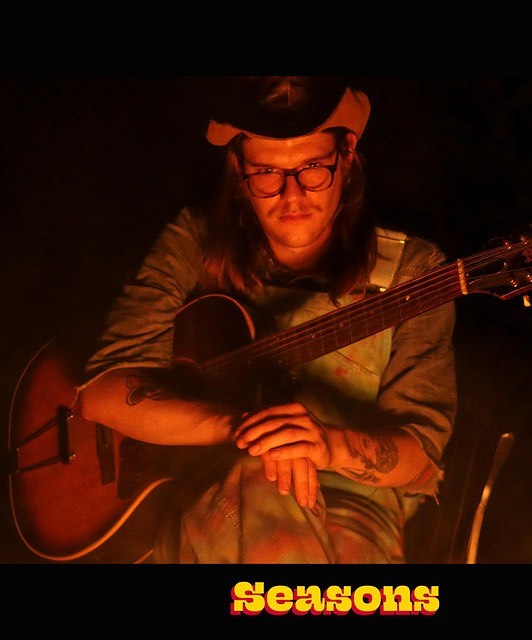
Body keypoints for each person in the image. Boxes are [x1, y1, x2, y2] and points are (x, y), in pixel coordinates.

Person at [77, 76, 457, 564]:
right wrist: (252, 432)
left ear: (347, 156)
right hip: (211, 496)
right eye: (267, 173)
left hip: (355, 512)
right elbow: (101, 393)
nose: (291, 195)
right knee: (262, 474)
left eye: (313, 168)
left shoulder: (413, 271)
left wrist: (327, 446)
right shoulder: (194, 242)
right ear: (240, 170)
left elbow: (420, 456)